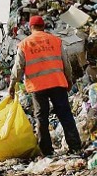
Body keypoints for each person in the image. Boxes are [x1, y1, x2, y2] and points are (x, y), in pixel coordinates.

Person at [8, 15, 82, 156]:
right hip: (57, 83)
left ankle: (47, 151)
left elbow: (18, 67)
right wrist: (69, 80)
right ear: (44, 26)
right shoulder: (56, 41)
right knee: (65, 115)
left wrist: (12, 85)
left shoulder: (24, 44)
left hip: (37, 87)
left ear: (31, 27)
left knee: (41, 118)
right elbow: (66, 63)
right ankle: (75, 147)